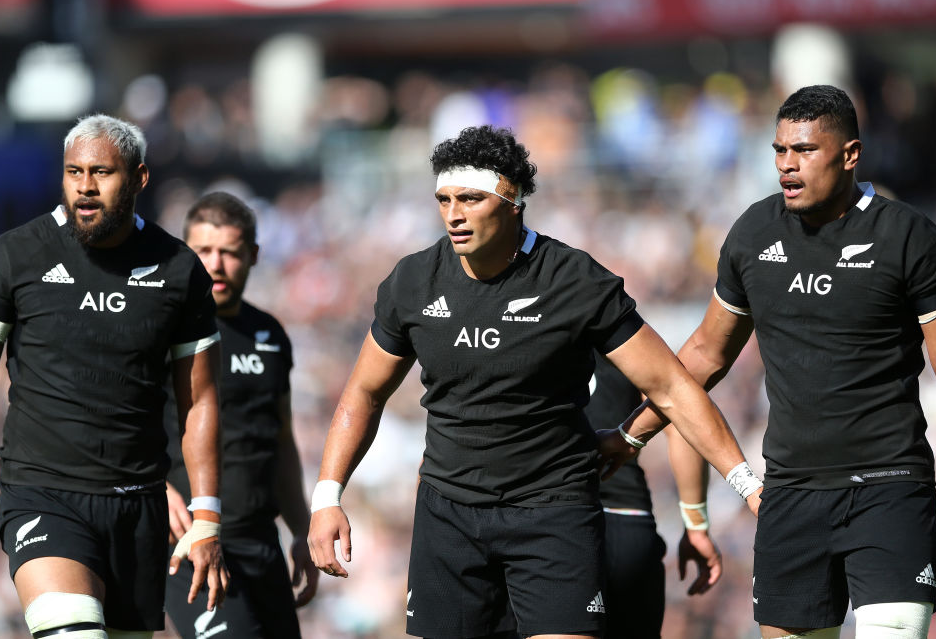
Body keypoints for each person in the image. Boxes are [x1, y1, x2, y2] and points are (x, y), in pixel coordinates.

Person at [307, 124, 761, 639]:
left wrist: (747, 484)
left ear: (514, 200)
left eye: (471, 199)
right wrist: (328, 496)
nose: (454, 214)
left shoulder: (574, 280)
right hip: (449, 517)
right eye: (444, 199)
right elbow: (364, 393)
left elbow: (673, 387)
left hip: (553, 511)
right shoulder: (412, 282)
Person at [675, 85, 936, 638]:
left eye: (803, 150)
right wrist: (629, 434)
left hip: (890, 488)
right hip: (789, 497)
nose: (786, 165)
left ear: (850, 154)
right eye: (779, 150)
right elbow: (704, 355)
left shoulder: (910, 237)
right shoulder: (753, 232)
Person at [0, 114, 229, 638]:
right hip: (43, 495)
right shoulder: (15, 256)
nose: (85, 187)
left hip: (138, 507)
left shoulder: (179, 270)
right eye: (74, 172)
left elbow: (199, 401)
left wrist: (206, 514)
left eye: (101, 172)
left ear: (139, 178)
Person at [163, 192, 318, 638]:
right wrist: (154, 485)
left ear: (252, 255)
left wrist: (301, 530)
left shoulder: (270, 334)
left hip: (261, 542)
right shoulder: (161, 328)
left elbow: (281, 439)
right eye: (203, 252)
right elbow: (119, 420)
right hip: (191, 541)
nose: (216, 264)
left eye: (229, 252)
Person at [584, 352, 723, 639]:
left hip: (549, 523)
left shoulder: (522, 332)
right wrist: (696, 525)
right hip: (629, 528)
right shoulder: (621, 334)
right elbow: (680, 417)